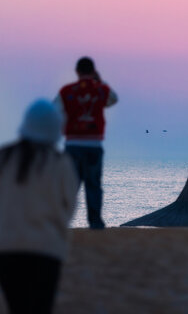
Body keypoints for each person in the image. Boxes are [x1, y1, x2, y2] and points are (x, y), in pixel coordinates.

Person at [0, 99, 78, 314]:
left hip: (7, 248)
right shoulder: (60, 162)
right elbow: (69, 206)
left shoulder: (4, 157)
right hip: (47, 248)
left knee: (18, 307)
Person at [55, 57, 118, 229]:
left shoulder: (67, 91)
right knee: (93, 185)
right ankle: (95, 222)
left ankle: (61, 221)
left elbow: (54, 109)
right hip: (94, 145)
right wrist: (98, 80)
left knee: (70, 185)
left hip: (73, 144)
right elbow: (113, 99)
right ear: (93, 71)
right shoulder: (100, 90)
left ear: (77, 72)